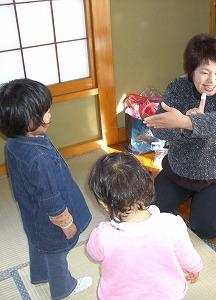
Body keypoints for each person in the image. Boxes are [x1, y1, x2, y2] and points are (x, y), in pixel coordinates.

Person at [143, 33, 216, 239]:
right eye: (204, 72)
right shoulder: (178, 88)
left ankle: (208, 202)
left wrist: (187, 122)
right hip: (178, 169)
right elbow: (157, 128)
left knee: (207, 229)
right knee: (147, 214)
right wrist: (181, 127)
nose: (212, 80)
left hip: (215, 175)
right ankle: (188, 197)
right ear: (191, 71)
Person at [0, 79, 92, 300]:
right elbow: (52, 199)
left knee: (38, 242)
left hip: (31, 211)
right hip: (52, 217)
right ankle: (63, 288)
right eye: (43, 113)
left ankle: (40, 275)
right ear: (23, 121)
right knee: (57, 252)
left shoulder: (14, 143)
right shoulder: (39, 158)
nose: (49, 116)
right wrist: (67, 225)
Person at [86, 152, 203, 300]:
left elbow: (94, 254)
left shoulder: (102, 235)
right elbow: (187, 255)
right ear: (148, 184)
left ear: (104, 204)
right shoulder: (171, 224)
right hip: (166, 294)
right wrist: (195, 268)